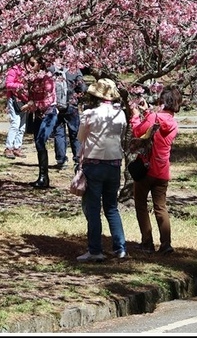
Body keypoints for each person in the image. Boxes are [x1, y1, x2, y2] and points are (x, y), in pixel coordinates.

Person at [75, 78, 128, 262]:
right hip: (114, 163)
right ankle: (120, 248)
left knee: (93, 208)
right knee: (111, 207)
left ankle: (95, 250)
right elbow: (122, 134)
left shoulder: (90, 114)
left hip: (94, 163)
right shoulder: (120, 114)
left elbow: (81, 137)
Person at [129, 85, 182, 255]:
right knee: (161, 207)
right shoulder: (173, 123)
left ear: (161, 101)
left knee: (141, 205)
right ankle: (166, 244)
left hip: (146, 169)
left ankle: (147, 243)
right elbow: (155, 130)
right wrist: (148, 113)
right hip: (162, 171)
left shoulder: (154, 117)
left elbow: (139, 132)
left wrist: (136, 117)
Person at [24, 54, 58, 189]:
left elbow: (49, 100)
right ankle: (43, 176)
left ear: (40, 64)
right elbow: (30, 96)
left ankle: (44, 177)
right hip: (38, 114)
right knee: (38, 143)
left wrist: (33, 104)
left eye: (32, 64)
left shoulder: (47, 78)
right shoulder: (31, 80)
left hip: (49, 113)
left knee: (40, 140)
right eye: (28, 63)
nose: (29, 66)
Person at [52, 63, 87, 171]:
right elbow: (82, 87)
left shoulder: (52, 69)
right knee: (75, 133)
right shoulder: (74, 70)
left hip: (56, 106)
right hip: (71, 106)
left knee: (59, 133)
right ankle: (77, 158)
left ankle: (61, 160)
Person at [3, 55, 31, 159]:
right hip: (14, 99)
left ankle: (17, 147)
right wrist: (19, 86)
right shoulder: (14, 70)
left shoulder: (30, 72)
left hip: (26, 100)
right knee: (15, 123)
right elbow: (8, 84)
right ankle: (9, 147)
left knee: (22, 126)